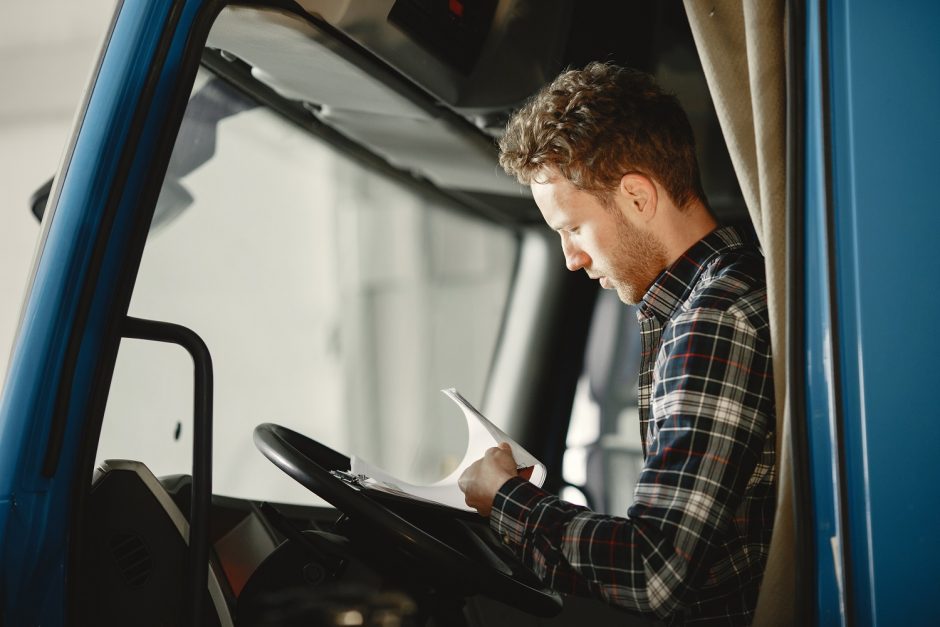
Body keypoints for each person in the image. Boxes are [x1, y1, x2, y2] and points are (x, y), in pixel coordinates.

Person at [457, 62, 776, 625]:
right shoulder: (719, 295)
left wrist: (504, 500)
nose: (572, 260)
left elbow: (656, 572)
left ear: (636, 196)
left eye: (574, 229)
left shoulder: (713, 320)